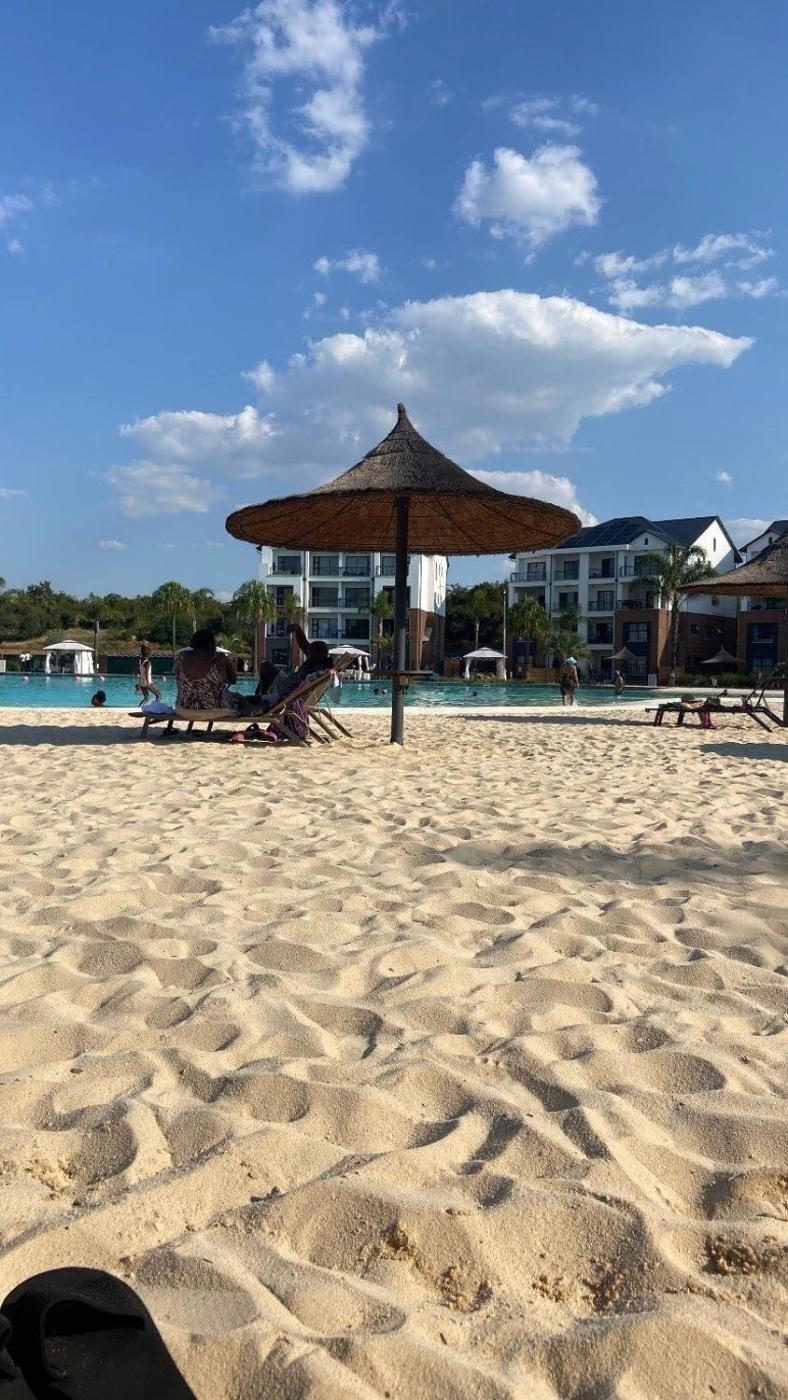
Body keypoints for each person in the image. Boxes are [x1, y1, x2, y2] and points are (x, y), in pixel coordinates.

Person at [174, 630, 247, 713]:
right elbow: (233, 680)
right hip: (216, 709)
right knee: (238, 697)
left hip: (184, 709)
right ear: (211, 642)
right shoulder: (219, 657)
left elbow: (178, 677)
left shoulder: (181, 657)